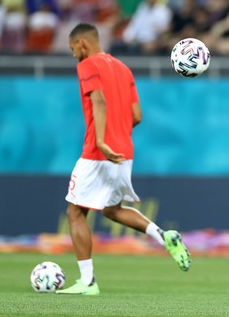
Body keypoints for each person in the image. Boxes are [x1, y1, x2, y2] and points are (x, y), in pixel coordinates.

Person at [57, 23, 191, 295]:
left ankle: (87, 282)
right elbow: (137, 115)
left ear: (82, 43)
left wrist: (102, 141)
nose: (73, 55)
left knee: (75, 211)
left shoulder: (87, 65)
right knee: (112, 209)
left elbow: (99, 100)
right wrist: (116, 134)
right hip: (125, 151)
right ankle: (163, 236)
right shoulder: (123, 68)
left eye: (73, 49)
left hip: (99, 151)